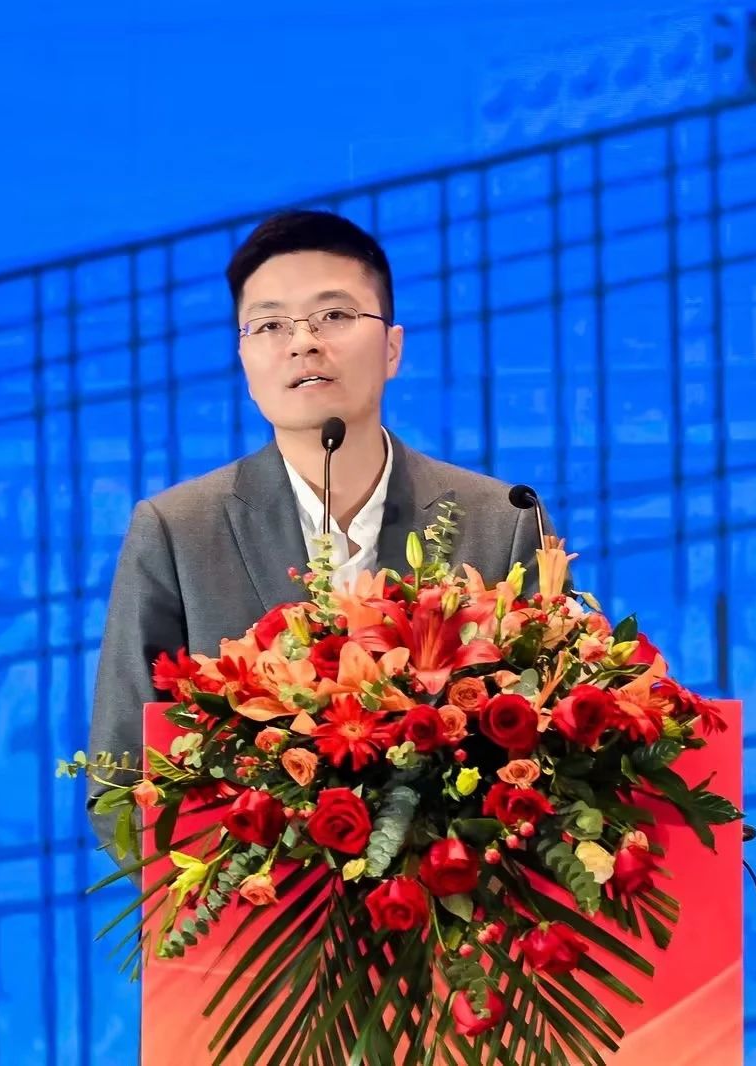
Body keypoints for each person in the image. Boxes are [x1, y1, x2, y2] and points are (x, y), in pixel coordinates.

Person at [86, 209, 553, 873]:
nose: (303, 343)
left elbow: (556, 748)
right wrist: (259, 891)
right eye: (270, 325)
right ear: (245, 360)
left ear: (392, 348)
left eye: (334, 315)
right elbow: (120, 781)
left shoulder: (501, 519)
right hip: (259, 925)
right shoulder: (177, 530)